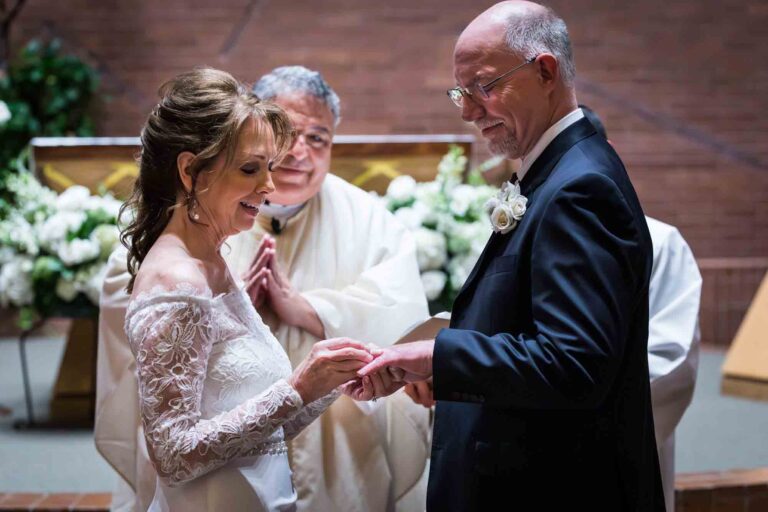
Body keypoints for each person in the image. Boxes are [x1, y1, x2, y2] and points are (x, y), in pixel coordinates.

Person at [359, 2, 666, 510]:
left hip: (552, 488)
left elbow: (574, 363)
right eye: (461, 91)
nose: (466, 110)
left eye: (483, 86)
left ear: (544, 71)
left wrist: (441, 355)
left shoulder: (580, 186)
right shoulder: (556, 170)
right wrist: (447, 366)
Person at [95, 65, 431, 512]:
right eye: (253, 166)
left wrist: (332, 378)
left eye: (318, 138)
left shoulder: (217, 255)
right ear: (192, 170)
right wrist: (294, 386)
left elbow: (261, 435)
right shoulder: (180, 276)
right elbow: (173, 455)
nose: (272, 181)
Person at [225, 66, 431, 512]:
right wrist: (230, 306)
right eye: (287, 134)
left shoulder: (371, 221)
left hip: (339, 443)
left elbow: (401, 316)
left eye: (318, 138)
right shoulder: (210, 208)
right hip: (229, 431)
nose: (301, 152)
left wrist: (309, 310)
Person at [582, 104, 702, 512]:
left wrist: (564, 410)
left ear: (608, 153)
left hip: (616, 450)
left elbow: (673, 360)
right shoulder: (518, 237)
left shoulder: (661, 242)